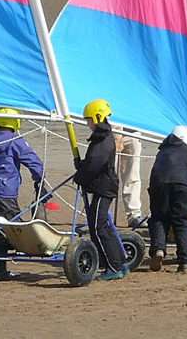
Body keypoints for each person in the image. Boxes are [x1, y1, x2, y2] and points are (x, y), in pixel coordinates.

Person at [0, 108, 46, 281]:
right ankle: (29, 250)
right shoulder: (15, 141)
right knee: (14, 227)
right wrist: (39, 179)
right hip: (4, 192)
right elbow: (34, 162)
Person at [72, 99, 128, 281]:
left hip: (105, 188)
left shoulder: (103, 139)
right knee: (102, 226)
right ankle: (119, 263)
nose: (88, 123)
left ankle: (113, 266)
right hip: (102, 186)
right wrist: (81, 166)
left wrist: (80, 175)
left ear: (97, 117)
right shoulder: (101, 137)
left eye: (89, 120)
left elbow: (95, 164)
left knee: (98, 227)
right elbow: (92, 162)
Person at [146, 127, 187, 274]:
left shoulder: (161, 152)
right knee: (181, 222)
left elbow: (154, 175)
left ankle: (158, 250)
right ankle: (185, 262)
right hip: (181, 187)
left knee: (159, 218)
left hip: (158, 186)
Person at [114, 128, 145, 227]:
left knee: (132, 175)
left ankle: (134, 215)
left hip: (132, 130)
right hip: (108, 129)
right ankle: (100, 214)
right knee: (105, 175)